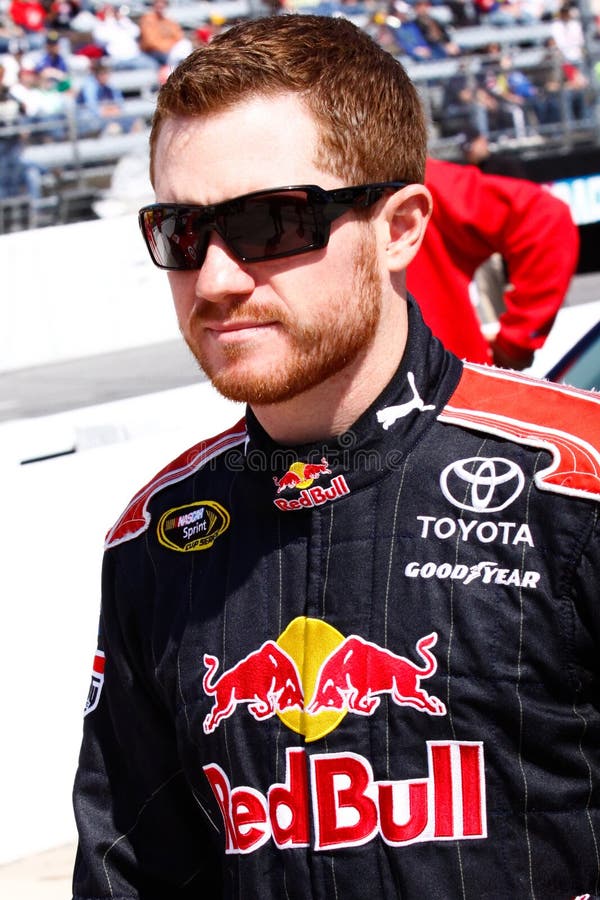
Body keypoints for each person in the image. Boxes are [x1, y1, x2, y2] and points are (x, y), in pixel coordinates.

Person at [72, 14, 600, 900]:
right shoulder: (157, 539)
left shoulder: (576, 486)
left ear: (399, 228)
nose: (216, 280)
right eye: (182, 232)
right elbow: (129, 871)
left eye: (273, 223)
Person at [410, 156, 578, 368]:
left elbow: (547, 220)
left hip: (453, 386)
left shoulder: (405, 175)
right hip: (450, 381)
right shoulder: (410, 176)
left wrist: (516, 342)